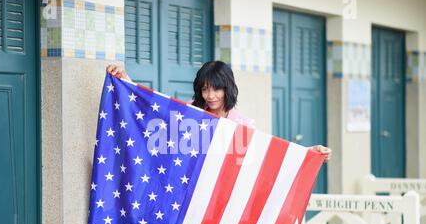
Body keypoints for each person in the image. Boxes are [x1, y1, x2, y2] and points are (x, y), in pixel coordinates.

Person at [106, 61, 332, 162]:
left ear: (228, 88)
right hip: (187, 198)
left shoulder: (242, 124)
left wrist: (308, 154)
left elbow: (267, 154)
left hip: (221, 205)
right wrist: (126, 82)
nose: (210, 96)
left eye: (216, 89)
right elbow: (154, 114)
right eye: (205, 89)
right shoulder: (192, 111)